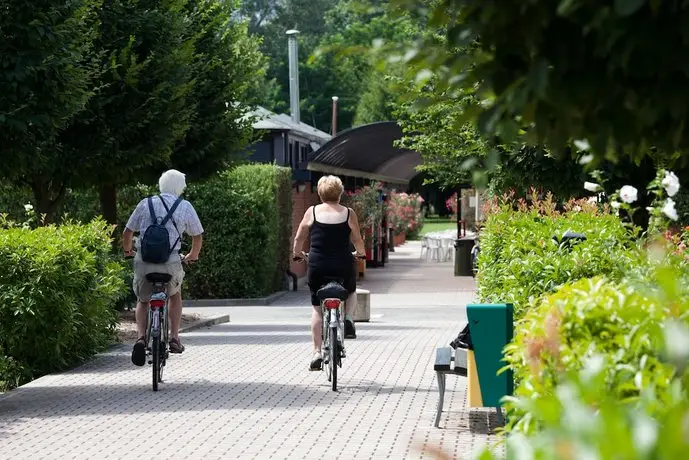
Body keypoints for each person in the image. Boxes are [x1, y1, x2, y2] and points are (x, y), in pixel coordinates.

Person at [122, 169, 204, 366]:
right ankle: (175, 337)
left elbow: (127, 231)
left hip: (144, 261)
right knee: (175, 295)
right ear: (179, 188)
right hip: (171, 262)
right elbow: (197, 235)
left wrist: (127, 251)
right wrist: (193, 255)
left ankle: (141, 337)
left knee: (142, 300)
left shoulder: (145, 203)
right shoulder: (184, 206)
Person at [292, 175, 366, 371]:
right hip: (343, 263)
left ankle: (316, 352)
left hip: (317, 265)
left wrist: (297, 254)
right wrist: (361, 254)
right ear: (340, 193)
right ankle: (348, 319)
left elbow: (299, 237)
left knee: (317, 308)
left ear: (319, 193)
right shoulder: (349, 213)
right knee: (350, 291)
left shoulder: (312, 212)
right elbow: (357, 239)